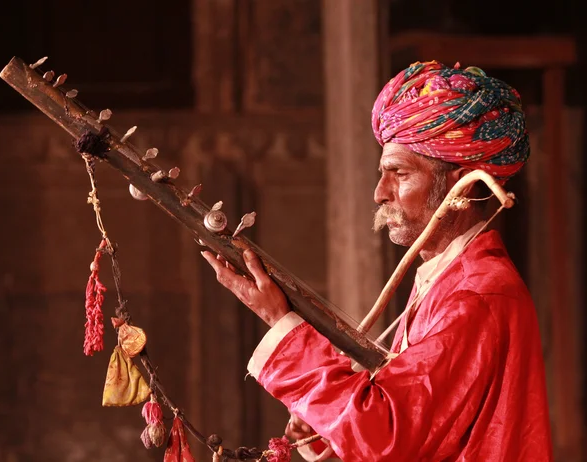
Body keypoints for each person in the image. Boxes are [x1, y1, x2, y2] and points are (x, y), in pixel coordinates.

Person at [202, 60, 552, 461]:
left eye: (398, 173)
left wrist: (280, 323)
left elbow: (386, 434)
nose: (379, 193)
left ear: (459, 186)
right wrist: (325, 420)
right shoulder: (449, 279)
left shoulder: (477, 294)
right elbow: (417, 424)